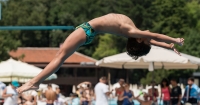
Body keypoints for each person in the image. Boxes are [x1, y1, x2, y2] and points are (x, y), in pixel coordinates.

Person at [17, 13, 184, 93]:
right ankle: (36, 81)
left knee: (60, 57)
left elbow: (153, 36)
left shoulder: (131, 30)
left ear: (139, 39)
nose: (147, 37)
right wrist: (168, 46)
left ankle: (35, 82)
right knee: (60, 56)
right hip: (89, 32)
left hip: (87, 30)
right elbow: (153, 40)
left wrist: (175, 40)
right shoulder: (133, 33)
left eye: (145, 39)